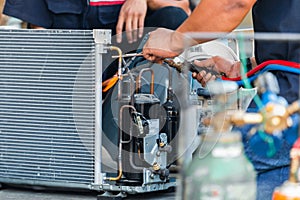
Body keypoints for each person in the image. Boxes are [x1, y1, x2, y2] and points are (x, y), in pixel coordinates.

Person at [142, 0, 300, 199]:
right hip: (289, 86)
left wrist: (174, 40)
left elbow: (233, 2)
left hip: (290, 98)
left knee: (221, 171)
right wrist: (242, 67)